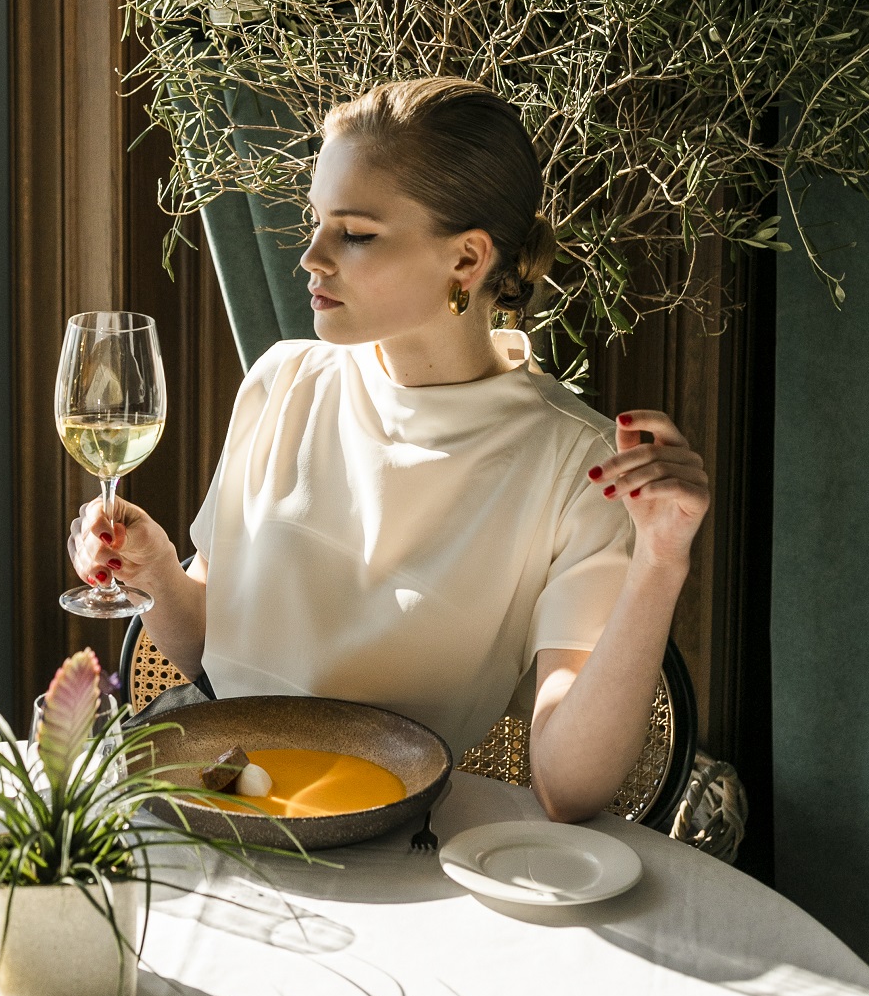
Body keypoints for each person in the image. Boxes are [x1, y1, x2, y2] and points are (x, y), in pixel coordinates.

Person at [69, 77, 709, 822]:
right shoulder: (281, 382)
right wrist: (152, 572)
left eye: (356, 233)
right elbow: (214, 656)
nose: (311, 257)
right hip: (222, 813)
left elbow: (570, 790)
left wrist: (660, 565)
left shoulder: (577, 464)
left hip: (400, 852)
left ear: (466, 262)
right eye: (315, 222)